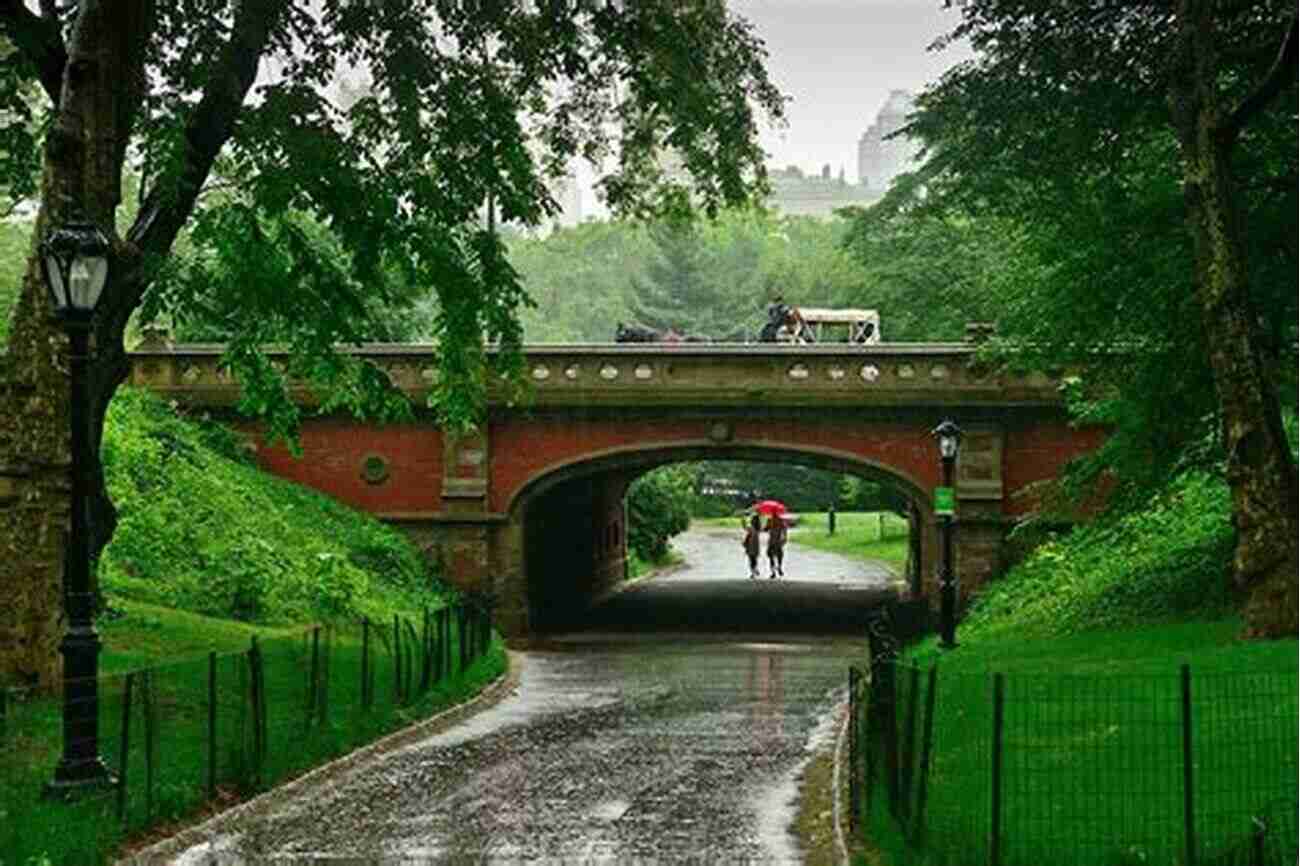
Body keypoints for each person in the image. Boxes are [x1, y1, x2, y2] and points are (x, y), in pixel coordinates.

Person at [766, 513, 787, 579]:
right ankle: (778, 568)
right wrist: (785, 538)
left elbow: (766, 528)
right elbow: (784, 530)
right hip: (777, 541)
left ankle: (773, 572)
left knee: (772, 557)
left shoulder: (770, 520)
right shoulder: (780, 520)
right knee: (778, 556)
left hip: (773, 541)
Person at [742, 513, 762, 580]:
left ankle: (753, 572)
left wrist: (743, 519)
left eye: (752, 519)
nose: (751, 520)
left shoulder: (751, 528)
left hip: (750, 546)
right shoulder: (758, 529)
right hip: (756, 546)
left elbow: (745, 528)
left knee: (751, 560)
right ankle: (755, 570)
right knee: (754, 559)